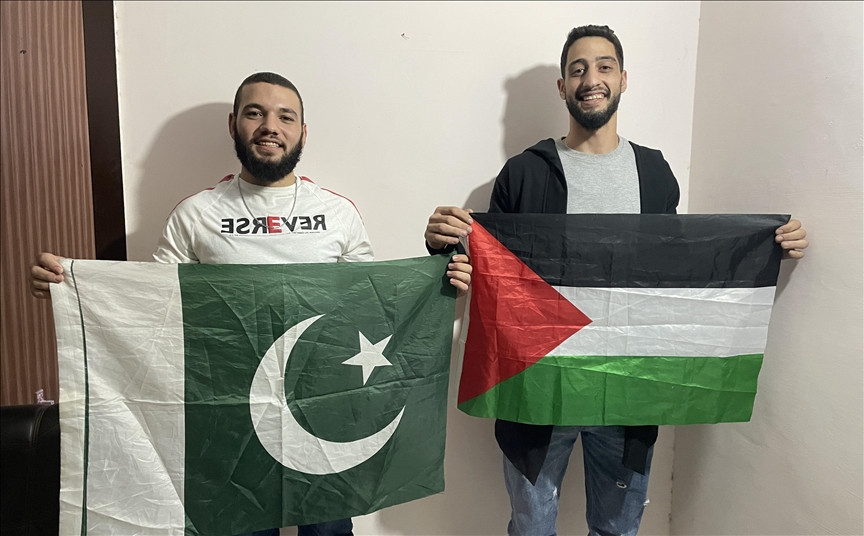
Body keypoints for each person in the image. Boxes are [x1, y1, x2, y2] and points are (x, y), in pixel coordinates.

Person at [31, 71, 471, 536]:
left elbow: (370, 305)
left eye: (286, 116)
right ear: (234, 124)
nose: (270, 126)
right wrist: (71, 289)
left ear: (303, 131)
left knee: (328, 531)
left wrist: (436, 275)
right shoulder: (197, 214)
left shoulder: (339, 213)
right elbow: (154, 309)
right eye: (254, 113)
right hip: (227, 415)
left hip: (321, 408)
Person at [424, 25, 808, 536]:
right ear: (562, 86)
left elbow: (672, 271)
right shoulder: (523, 173)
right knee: (531, 529)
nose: (591, 78)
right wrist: (445, 243)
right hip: (540, 389)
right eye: (578, 69)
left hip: (627, 389)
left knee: (617, 530)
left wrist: (766, 244)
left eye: (604, 66)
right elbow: (493, 275)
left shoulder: (655, 173)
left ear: (623, 79)